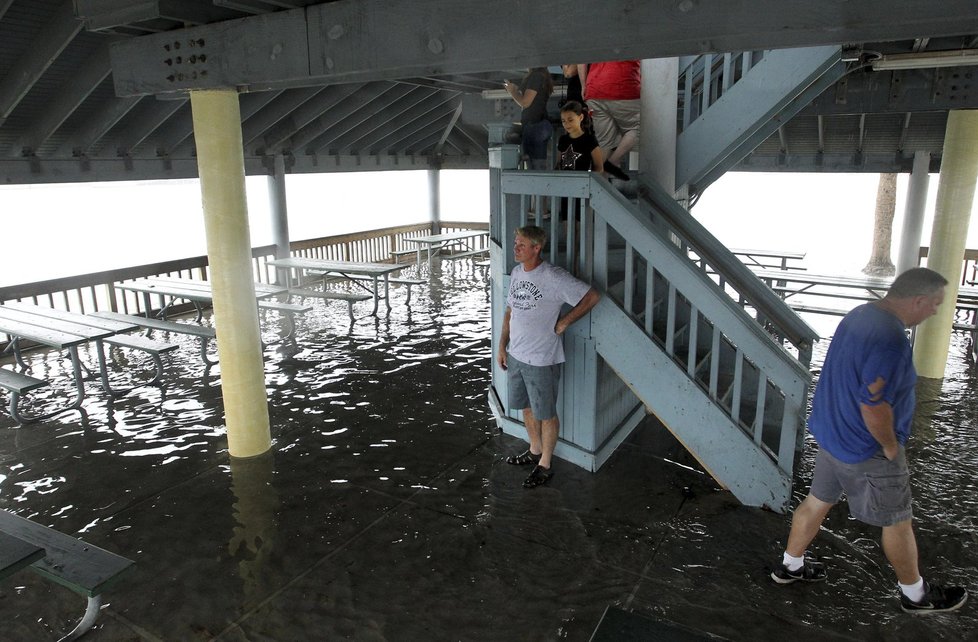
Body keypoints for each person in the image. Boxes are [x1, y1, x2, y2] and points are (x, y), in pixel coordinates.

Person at [772, 267, 968, 614]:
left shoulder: (861, 314)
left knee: (817, 501)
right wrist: (891, 446)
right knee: (897, 520)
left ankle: (790, 567)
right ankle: (916, 596)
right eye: (935, 304)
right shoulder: (891, 341)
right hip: (865, 447)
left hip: (832, 433)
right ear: (918, 300)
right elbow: (873, 404)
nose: (935, 311)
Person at [498, 226, 600, 488]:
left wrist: (565, 321)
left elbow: (591, 296)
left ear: (536, 248)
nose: (516, 248)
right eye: (515, 242)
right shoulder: (518, 272)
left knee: (546, 413)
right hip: (517, 355)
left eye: (521, 244)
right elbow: (510, 312)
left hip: (542, 358)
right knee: (527, 407)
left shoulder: (553, 276)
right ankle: (533, 450)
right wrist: (501, 346)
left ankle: (545, 464)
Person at [578, 61, 639, 180]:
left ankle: (597, 190)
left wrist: (583, 86)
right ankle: (611, 164)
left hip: (594, 91)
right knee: (642, 128)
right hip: (624, 88)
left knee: (605, 143)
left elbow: (581, 61)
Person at [503, 68, 554, 170]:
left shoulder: (536, 76)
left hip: (534, 124)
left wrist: (513, 92)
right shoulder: (542, 76)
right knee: (538, 166)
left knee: (533, 166)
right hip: (540, 124)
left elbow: (525, 102)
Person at [556, 101, 604, 174]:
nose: (566, 124)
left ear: (581, 117)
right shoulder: (563, 139)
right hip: (564, 182)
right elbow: (558, 164)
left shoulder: (589, 140)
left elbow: (599, 168)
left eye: (570, 120)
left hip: (583, 182)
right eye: (563, 121)